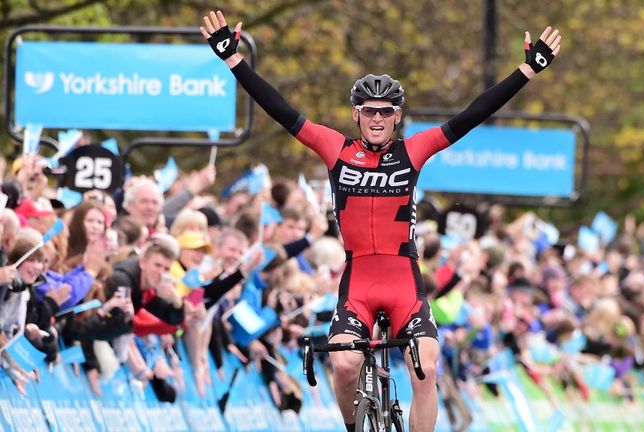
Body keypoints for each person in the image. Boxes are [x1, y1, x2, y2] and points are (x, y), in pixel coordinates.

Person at [201, 10, 561, 431]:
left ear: (397, 116)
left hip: (403, 278)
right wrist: (234, 61)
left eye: (385, 112)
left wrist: (526, 70)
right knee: (345, 364)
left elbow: (471, 115)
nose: (376, 118)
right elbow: (280, 109)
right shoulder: (335, 149)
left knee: (426, 369)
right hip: (359, 279)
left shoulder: (414, 151)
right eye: (369, 111)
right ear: (356, 114)